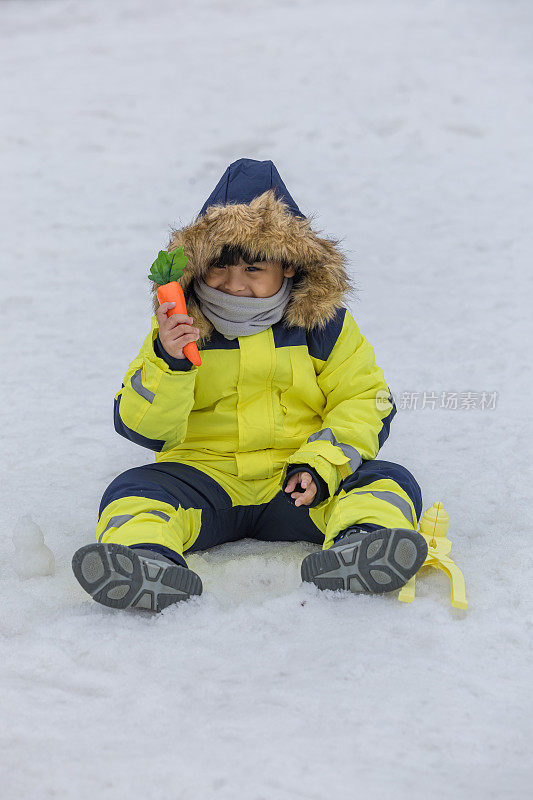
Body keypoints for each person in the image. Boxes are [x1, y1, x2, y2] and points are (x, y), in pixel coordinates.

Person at [72, 157, 427, 612]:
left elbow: (364, 400)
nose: (234, 284)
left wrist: (321, 464)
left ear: (290, 267)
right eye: (219, 267)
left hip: (299, 484)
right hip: (206, 481)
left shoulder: (323, 326)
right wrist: (168, 362)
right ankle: (147, 562)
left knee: (388, 481)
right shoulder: (181, 329)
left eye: (254, 270)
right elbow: (144, 426)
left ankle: (360, 545)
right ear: (198, 267)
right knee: (133, 490)